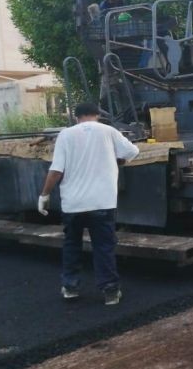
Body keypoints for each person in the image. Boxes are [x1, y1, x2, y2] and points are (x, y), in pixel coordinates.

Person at [38, 102, 139, 305]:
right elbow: (132, 152)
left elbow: (56, 170)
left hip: (73, 204)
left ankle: (70, 287)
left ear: (76, 117)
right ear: (97, 116)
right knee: (103, 247)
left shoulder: (66, 135)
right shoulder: (109, 131)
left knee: (72, 245)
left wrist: (44, 195)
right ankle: (110, 292)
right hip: (102, 202)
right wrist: (116, 160)